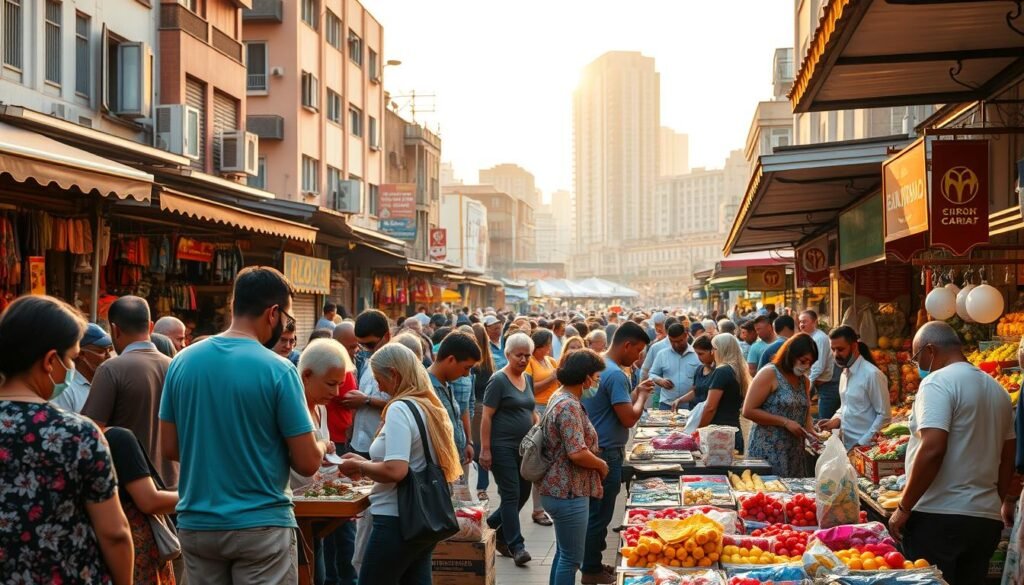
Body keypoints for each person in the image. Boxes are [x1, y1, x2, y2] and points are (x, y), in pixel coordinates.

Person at [159, 267, 328, 584]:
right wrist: (318, 444)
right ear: (273, 313)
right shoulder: (278, 370)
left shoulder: (182, 362)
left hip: (197, 524)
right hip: (261, 526)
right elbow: (307, 463)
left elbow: (170, 447)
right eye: (287, 319)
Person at [0, 296, 134, 584]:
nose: (71, 367)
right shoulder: (78, 434)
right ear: (50, 361)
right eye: (72, 358)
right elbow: (115, 533)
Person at [889, 322, 1014, 585]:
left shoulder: (937, 382)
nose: (917, 365)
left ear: (930, 350)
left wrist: (904, 507)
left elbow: (933, 448)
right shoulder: (998, 391)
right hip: (984, 522)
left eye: (916, 357)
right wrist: (994, 501)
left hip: (937, 517)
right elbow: (1008, 457)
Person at [338, 344, 462, 585]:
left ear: (394, 374)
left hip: (397, 520)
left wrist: (360, 467)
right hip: (421, 519)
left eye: (379, 379)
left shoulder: (399, 408)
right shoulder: (427, 406)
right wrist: (365, 462)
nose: (379, 387)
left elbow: (397, 470)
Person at [581, 322, 655, 584]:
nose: (638, 358)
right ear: (627, 345)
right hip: (607, 452)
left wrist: (636, 392)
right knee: (599, 514)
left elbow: (613, 405)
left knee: (594, 512)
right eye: (638, 351)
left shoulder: (600, 365)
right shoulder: (615, 374)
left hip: (594, 447)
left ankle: (592, 563)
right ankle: (590, 570)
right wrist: (643, 398)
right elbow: (627, 418)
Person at [83, 295, 177, 488]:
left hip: (132, 489)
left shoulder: (111, 369)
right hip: (176, 486)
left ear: (115, 329)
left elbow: (91, 433)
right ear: (151, 327)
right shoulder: (177, 367)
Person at [540, 350, 609, 585]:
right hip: (568, 490)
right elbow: (577, 452)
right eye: (596, 376)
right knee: (571, 559)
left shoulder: (559, 397)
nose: (597, 381)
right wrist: (601, 464)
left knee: (563, 553)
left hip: (559, 489)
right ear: (585, 377)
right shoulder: (568, 406)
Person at [292, 339, 351, 585]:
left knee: (319, 573)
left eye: (339, 385)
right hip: (293, 510)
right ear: (306, 376)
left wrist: (336, 467)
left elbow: (316, 462)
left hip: (312, 508)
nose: (336, 393)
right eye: (330, 384)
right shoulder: (292, 409)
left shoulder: (322, 409)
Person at [481, 332, 538, 567]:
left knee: (522, 493)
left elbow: (530, 410)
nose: (523, 360)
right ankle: (517, 546)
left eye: (527, 355)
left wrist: (539, 427)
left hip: (524, 449)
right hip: (501, 447)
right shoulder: (498, 380)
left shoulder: (528, 379)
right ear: (508, 354)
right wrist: (485, 449)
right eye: (519, 355)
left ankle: (490, 527)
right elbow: (486, 416)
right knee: (511, 493)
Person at [105, 426, 181, 585]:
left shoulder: (70, 440)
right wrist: (197, 498)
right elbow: (149, 501)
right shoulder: (120, 439)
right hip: (134, 551)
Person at [743, 333, 816, 477]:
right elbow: (748, 410)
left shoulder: (804, 381)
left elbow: (805, 410)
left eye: (810, 363)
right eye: (803, 361)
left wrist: (811, 432)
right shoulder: (769, 373)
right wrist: (785, 422)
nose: (806, 366)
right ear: (791, 355)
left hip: (794, 451)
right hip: (769, 449)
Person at [817, 326, 890, 451]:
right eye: (833, 350)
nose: (836, 354)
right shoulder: (844, 374)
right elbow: (846, 406)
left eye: (840, 349)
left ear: (854, 346)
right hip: (847, 446)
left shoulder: (872, 374)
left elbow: (884, 416)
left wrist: (861, 443)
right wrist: (835, 420)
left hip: (867, 449)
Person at [428, 331, 481, 467]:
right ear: (451, 359)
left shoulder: (446, 383)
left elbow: (459, 417)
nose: (466, 374)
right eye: (466, 368)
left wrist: (467, 442)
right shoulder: (426, 389)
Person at [526, 328, 560, 526]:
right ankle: (537, 509)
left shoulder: (550, 361)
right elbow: (531, 389)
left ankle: (546, 505)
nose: (549, 348)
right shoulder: (530, 362)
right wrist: (552, 377)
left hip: (553, 409)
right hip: (538, 410)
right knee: (539, 459)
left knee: (551, 459)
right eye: (547, 344)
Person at [349, 309, 393, 458]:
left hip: (382, 446)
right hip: (358, 442)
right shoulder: (368, 360)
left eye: (370, 344)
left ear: (386, 336)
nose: (365, 350)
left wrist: (366, 401)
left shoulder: (398, 364)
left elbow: (402, 403)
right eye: (361, 345)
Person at [701, 333, 751, 452]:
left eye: (713, 348)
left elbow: (710, 407)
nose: (712, 353)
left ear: (721, 349)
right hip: (733, 431)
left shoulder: (722, 371)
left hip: (719, 434)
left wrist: (698, 428)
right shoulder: (738, 370)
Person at [52, 322, 113, 413]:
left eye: (109, 349)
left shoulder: (105, 383)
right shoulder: (65, 390)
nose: (108, 356)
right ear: (81, 353)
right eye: (101, 351)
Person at [648, 323, 702, 410]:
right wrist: (660, 380)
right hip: (667, 404)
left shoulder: (697, 355)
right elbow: (652, 374)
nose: (676, 345)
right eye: (672, 341)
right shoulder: (662, 354)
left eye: (679, 341)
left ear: (686, 335)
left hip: (691, 405)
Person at [471, 322, 497, 500]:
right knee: (482, 447)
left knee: (475, 448)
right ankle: (482, 487)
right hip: (488, 409)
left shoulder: (472, 363)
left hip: (475, 409)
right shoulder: (490, 362)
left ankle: (479, 487)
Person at [799, 310, 838, 419]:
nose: (802, 324)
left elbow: (818, 366)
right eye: (800, 321)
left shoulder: (819, 338)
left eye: (805, 321)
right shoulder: (808, 337)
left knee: (824, 420)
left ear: (814, 322)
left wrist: (808, 385)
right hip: (818, 382)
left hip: (828, 385)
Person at [670, 334, 715, 411]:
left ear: (712, 351)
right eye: (696, 354)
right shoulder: (699, 369)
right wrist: (680, 400)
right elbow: (695, 391)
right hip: (694, 411)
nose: (698, 357)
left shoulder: (718, 372)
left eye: (701, 354)